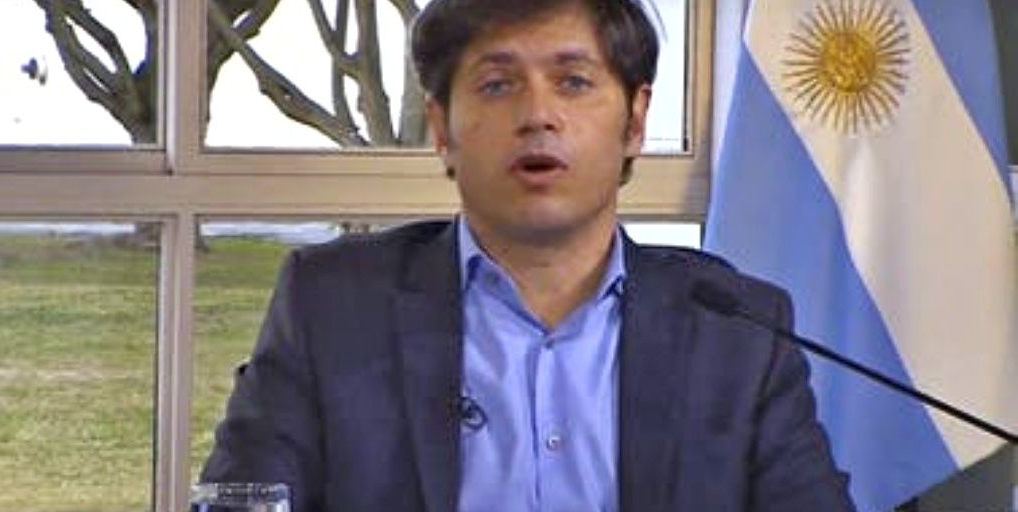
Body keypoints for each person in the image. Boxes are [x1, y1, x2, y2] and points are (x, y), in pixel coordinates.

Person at [200, 0, 856, 510]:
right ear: (442, 128)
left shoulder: (737, 331)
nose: (538, 114)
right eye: (496, 85)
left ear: (634, 122)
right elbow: (242, 499)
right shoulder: (334, 308)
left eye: (573, 81)